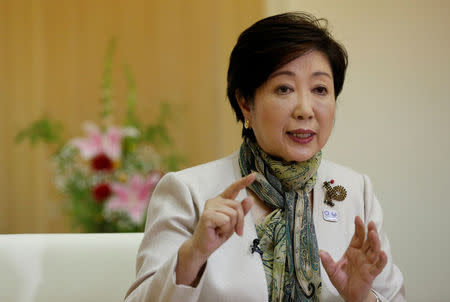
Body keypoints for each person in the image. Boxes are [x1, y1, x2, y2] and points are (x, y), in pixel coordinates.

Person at [124, 12, 406, 302]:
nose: (305, 109)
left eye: (320, 89)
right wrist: (193, 255)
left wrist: (362, 297)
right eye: (284, 88)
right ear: (245, 103)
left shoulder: (356, 190)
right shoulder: (188, 191)